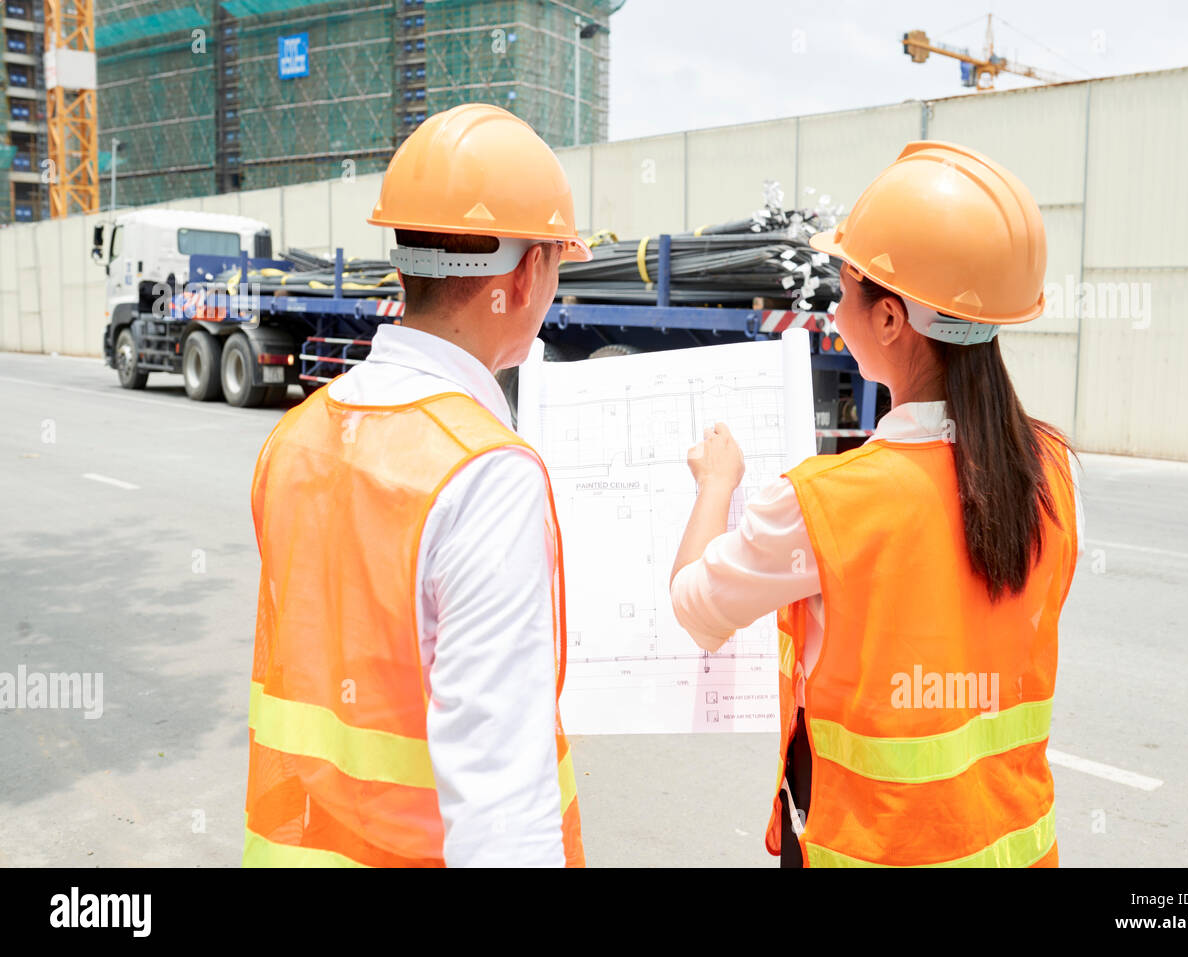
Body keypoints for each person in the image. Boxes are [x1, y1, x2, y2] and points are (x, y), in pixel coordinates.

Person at [670, 141, 1084, 868]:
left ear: (890, 318)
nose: (834, 308)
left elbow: (695, 605)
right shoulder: (1052, 469)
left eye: (844, 287)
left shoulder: (826, 504)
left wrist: (715, 485)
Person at [242, 104, 590, 867]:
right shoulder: (484, 475)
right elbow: (502, 806)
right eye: (558, 260)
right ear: (528, 272)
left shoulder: (293, 439)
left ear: (403, 264)